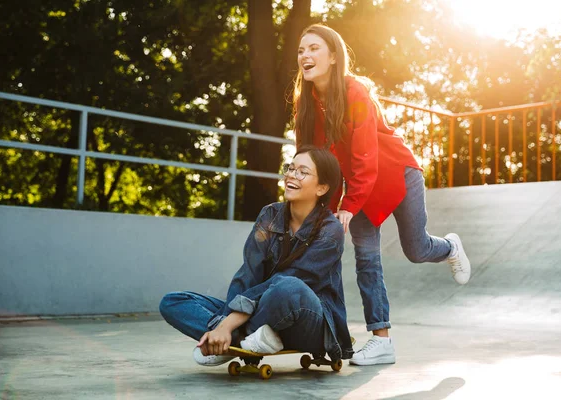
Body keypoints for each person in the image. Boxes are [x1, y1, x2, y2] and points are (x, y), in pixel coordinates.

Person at [293, 24, 471, 366]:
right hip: (360, 186)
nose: (305, 56)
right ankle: (382, 340)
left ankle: (449, 247)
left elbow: (364, 154)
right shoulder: (307, 104)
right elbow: (316, 161)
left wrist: (348, 205)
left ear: (332, 57)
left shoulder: (355, 93)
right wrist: (320, 207)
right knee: (366, 260)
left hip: (396, 174)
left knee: (416, 250)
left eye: (314, 48)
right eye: (301, 50)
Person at [159, 146, 354, 366]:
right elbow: (248, 273)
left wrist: (227, 325)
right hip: (259, 309)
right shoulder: (269, 215)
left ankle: (231, 339)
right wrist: (225, 321)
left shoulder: (331, 231)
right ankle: (246, 339)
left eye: (302, 171)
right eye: (290, 168)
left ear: (322, 187)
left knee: (288, 287)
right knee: (173, 301)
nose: (291, 174)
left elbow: (286, 282)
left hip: (308, 323)